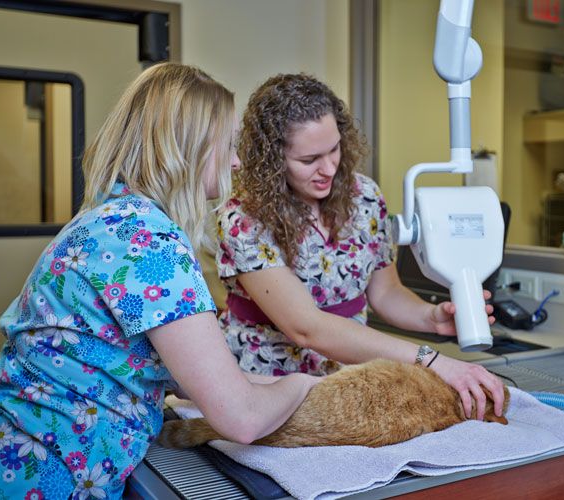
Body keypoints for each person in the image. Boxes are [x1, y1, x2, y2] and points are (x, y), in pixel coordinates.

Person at [0, 63, 319, 500]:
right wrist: (302, 384)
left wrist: (274, 385)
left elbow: (187, 376)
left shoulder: (111, 217)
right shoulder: (149, 242)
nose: (236, 161)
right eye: (230, 144)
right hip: (34, 480)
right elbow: (242, 418)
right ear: (188, 145)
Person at [216, 73, 505, 422]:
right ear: (272, 159)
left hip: (350, 377)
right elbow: (305, 327)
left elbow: (385, 293)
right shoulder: (245, 217)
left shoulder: (364, 196)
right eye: (309, 160)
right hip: (265, 382)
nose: (329, 169)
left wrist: (430, 318)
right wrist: (430, 360)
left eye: (334, 149)